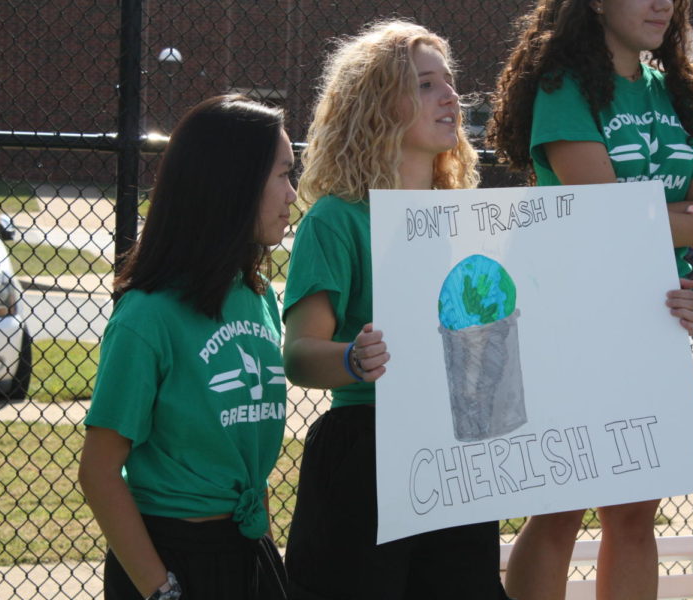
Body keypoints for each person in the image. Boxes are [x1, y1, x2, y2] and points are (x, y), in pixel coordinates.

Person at [488, 0, 693, 598]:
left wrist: (664, 219)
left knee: (633, 516)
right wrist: (682, 221)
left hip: (655, 316)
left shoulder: (677, 91)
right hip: (569, 317)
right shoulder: (563, 85)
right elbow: (603, 211)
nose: (663, 5)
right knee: (559, 510)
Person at [281, 20, 509, 600]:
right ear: (378, 106)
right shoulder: (336, 219)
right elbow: (301, 356)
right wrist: (354, 359)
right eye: (426, 84)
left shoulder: (470, 221)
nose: (451, 96)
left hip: (459, 448)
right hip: (367, 449)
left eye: (450, 81)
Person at [78, 95, 295, 600]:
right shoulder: (147, 317)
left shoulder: (259, 298)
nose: (293, 193)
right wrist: (162, 589)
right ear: (233, 185)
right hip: (169, 561)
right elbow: (99, 471)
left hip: (244, 551)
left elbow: (247, 463)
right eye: (282, 175)